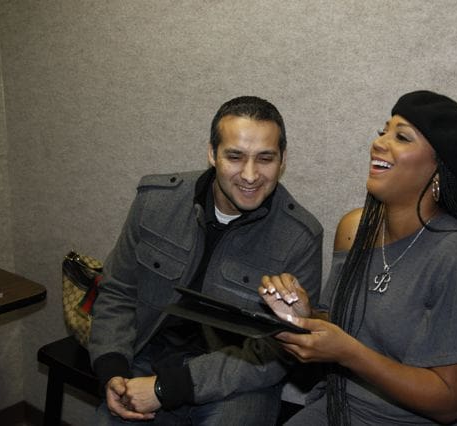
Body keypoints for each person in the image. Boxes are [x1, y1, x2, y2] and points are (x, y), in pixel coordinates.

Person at [260, 90, 457, 425]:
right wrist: (306, 316)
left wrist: (349, 354)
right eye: (383, 132)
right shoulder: (355, 230)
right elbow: (342, 328)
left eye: (401, 137)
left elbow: (448, 402)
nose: (379, 143)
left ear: (438, 170)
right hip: (339, 406)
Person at [88, 95, 323, 425]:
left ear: (282, 160)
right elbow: (118, 291)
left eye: (265, 158)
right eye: (235, 157)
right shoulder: (155, 202)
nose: (250, 175)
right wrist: (112, 368)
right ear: (212, 154)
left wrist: (167, 388)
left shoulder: (300, 237)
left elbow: (279, 352)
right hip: (147, 359)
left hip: (240, 382)